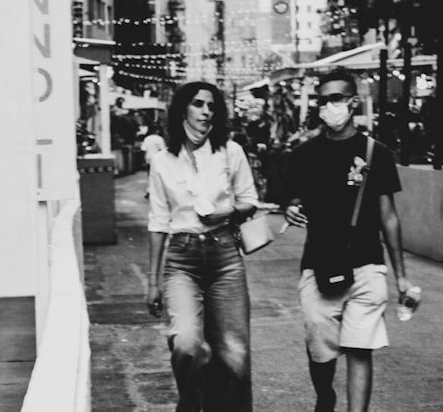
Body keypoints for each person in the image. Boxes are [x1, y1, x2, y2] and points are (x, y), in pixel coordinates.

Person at [280, 69, 417, 412]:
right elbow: (292, 200)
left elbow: (389, 216)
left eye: (336, 99)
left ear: (353, 102)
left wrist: (400, 276)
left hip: (367, 264)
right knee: (320, 349)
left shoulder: (377, 153)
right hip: (319, 263)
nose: (329, 106)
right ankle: (325, 394)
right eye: (323, 100)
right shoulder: (304, 154)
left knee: (359, 348)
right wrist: (291, 209)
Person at [145, 81, 259, 412]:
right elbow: (157, 223)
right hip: (182, 259)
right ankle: (192, 405)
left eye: (211, 106)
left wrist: (229, 212)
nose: (206, 112)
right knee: (186, 343)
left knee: (234, 354)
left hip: (225, 257)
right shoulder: (163, 161)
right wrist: (152, 282)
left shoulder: (230, 152)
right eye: (198, 104)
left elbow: (250, 201)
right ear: (183, 109)